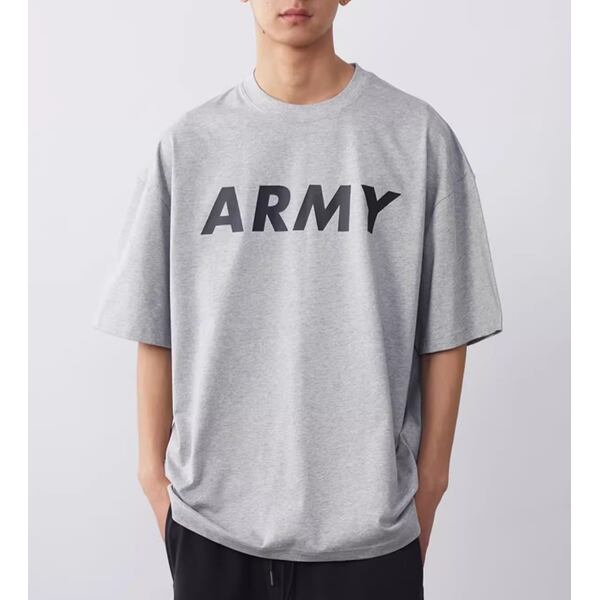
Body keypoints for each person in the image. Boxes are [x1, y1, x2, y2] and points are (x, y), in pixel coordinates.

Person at [94, 1, 502, 598]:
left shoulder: (417, 137)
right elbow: (154, 324)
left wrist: (430, 488)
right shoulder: (189, 146)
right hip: (211, 530)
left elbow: (447, 329)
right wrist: (155, 485)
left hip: (370, 537)